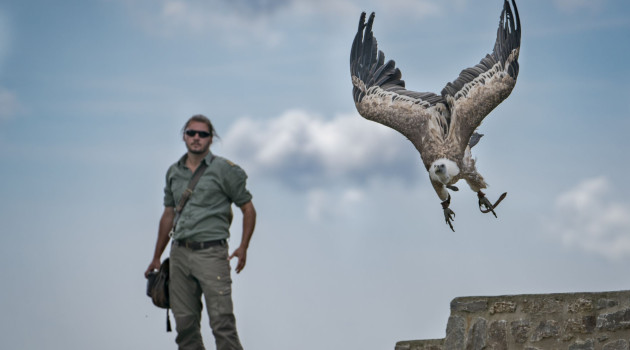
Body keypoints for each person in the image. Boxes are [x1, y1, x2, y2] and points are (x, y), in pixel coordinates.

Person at [145, 114, 256, 350]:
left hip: (212, 253)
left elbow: (248, 208)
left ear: (211, 139)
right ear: (184, 136)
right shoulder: (174, 172)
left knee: (222, 323)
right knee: (184, 326)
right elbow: (168, 215)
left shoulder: (225, 170)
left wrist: (243, 247)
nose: (196, 138)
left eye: (202, 134)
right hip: (179, 254)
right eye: (191, 133)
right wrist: (156, 256)